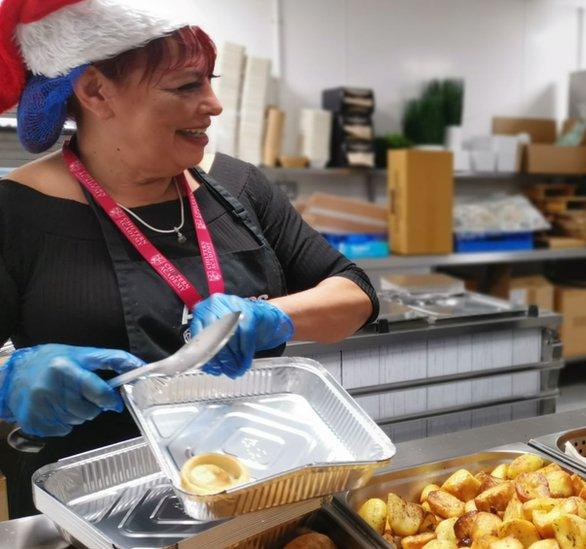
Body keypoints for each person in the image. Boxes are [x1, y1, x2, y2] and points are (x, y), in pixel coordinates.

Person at [0, 0, 378, 517]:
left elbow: (355, 292)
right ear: (94, 91)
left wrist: (274, 316)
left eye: (210, 81)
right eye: (186, 86)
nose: (215, 104)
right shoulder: (16, 213)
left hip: (255, 489)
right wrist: (8, 382)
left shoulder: (238, 186)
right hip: (96, 509)